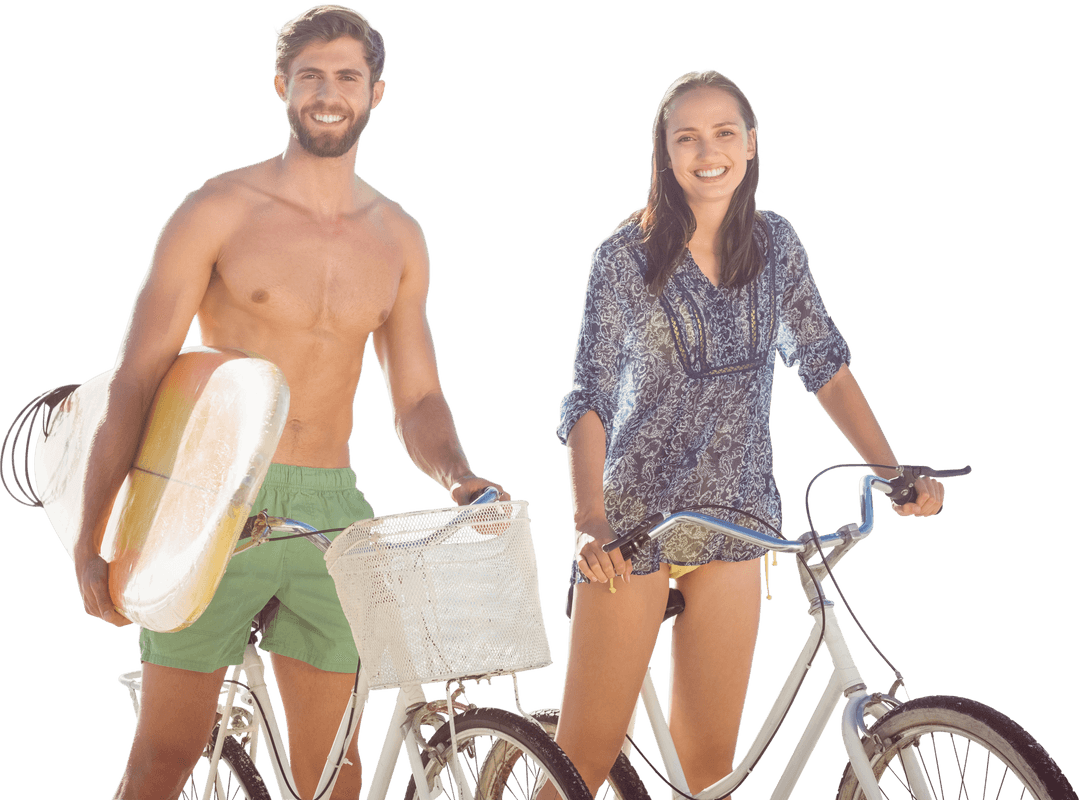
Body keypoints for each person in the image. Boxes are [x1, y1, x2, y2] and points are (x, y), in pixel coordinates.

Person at [69, 5, 506, 799]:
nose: (328, 93)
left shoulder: (398, 236)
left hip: (332, 510)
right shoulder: (218, 209)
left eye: (347, 77)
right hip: (213, 504)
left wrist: (457, 474)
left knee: (333, 772)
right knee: (166, 755)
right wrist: (91, 537)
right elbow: (136, 376)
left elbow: (416, 395)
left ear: (375, 91)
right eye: (311, 76)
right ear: (282, 86)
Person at [551, 69, 946, 796]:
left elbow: (824, 364)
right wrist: (588, 519)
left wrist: (893, 473)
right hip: (635, 525)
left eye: (724, 133)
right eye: (688, 137)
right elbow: (589, 397)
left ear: (752, 143)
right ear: (665, 152)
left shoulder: (777, 243)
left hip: (739, 519)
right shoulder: (623, 256)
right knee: (583, 762)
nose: (708, 152)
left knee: (707, 769)